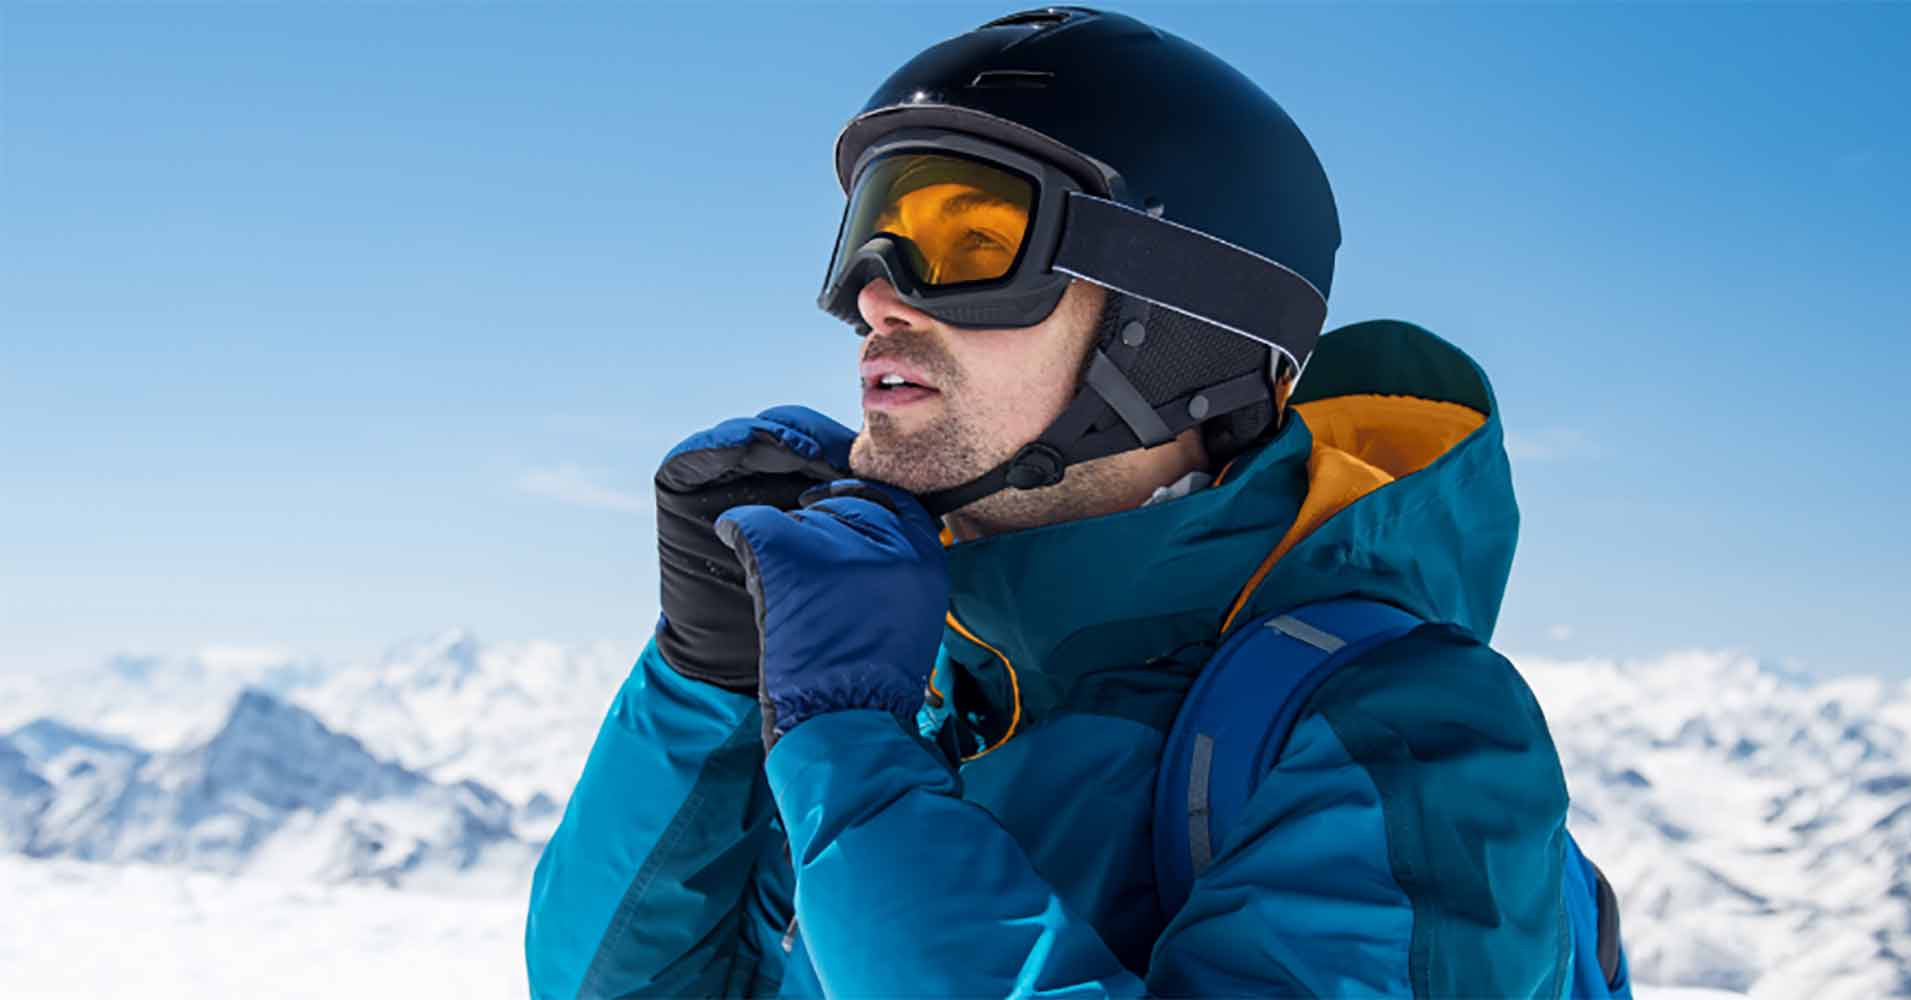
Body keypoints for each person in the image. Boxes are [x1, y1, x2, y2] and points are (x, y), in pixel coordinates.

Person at [526, 8, 1586, 997]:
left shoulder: (1410, 742)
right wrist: (704, 679)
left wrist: (854, 760)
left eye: (972, 244)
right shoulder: (919, 679)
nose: (873, 294)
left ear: (1175, 329)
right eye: (868, 235)